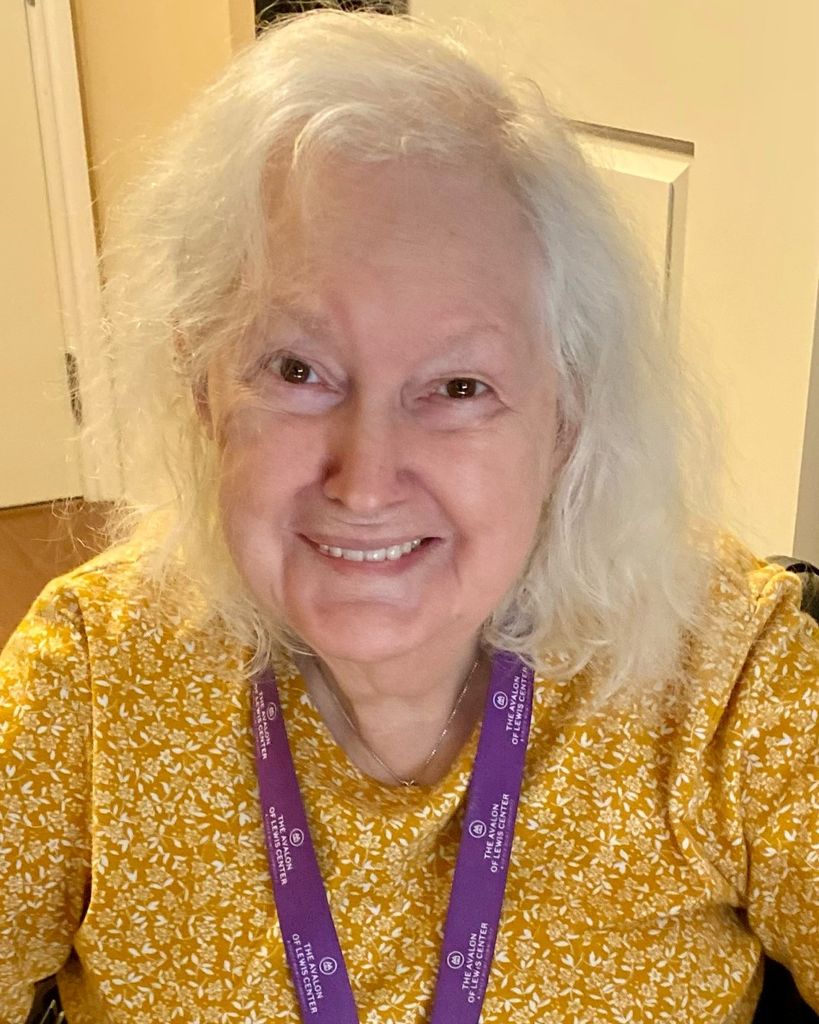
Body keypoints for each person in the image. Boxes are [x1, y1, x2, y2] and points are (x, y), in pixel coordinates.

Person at [1, 9, 818, 1024]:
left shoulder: (725, 675)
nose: (366, 481)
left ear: (564, 413)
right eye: (296, 369)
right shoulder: (88, 679)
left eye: (459, 386)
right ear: (200, 381)